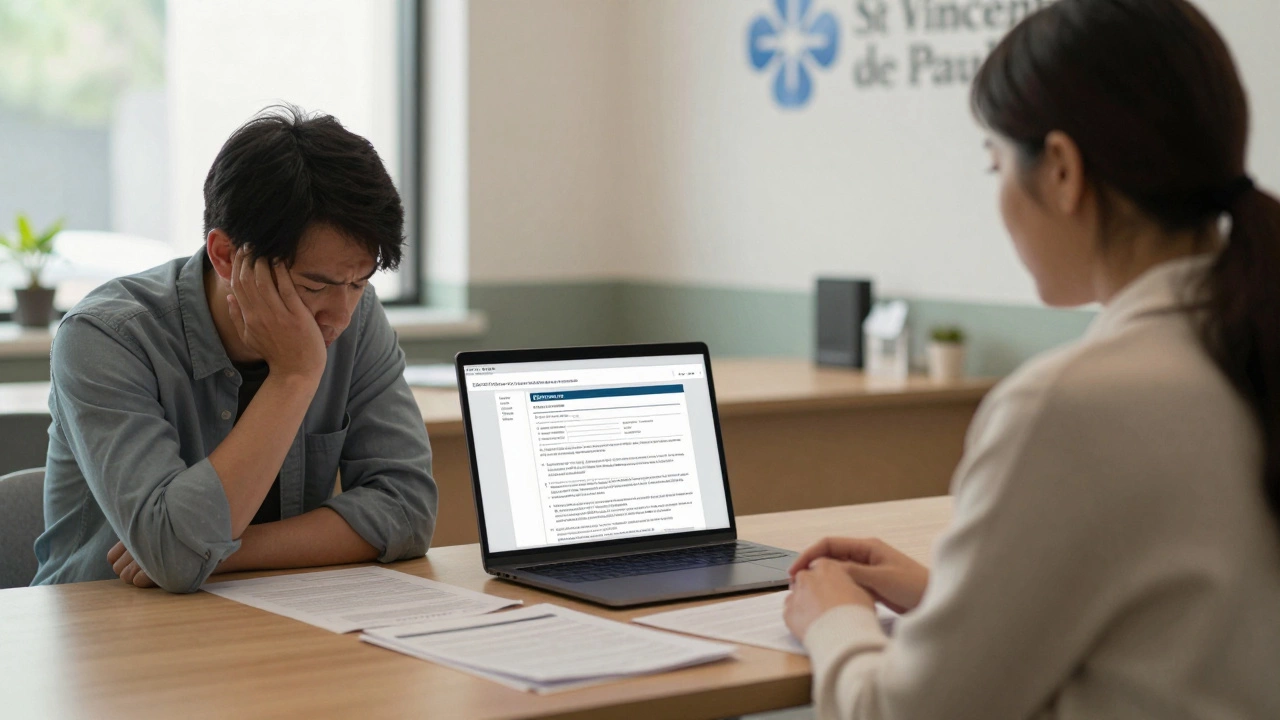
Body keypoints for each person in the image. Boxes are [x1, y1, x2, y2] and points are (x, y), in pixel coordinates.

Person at [783, 1, 1280, 717]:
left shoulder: (1070, 404)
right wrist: (951, 597)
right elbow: (1185, 627)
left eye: (996, 165)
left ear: (1062, 171)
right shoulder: (1245, 348)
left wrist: (833, 618)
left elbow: (902, 713)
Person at [31, 106, 438, 593]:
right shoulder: (106, 336)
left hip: (265, 613)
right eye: (313, 286)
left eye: (359, 282)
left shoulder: (358, 317)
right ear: (225, 255)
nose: (340, 316)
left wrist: (225, 552)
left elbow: (408, 510)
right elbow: (175, 557)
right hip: (102, 620)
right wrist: (294, 376)